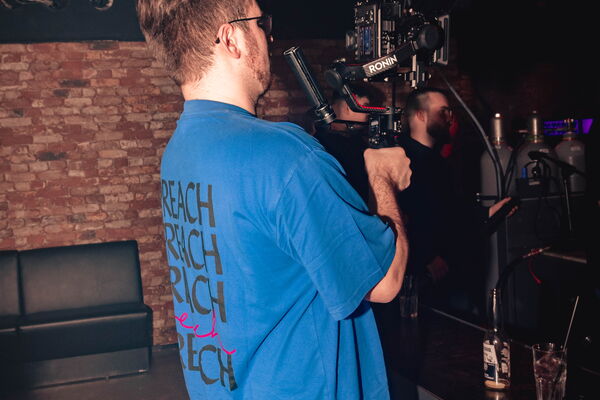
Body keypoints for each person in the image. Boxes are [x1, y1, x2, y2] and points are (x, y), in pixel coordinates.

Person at [136, 1, 412, 399]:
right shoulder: (283, 156)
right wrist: (382, 178)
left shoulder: (179, 150)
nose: (269, 36)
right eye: (260, 23)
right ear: (231, 39)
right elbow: (384, 282)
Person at [397, 87, 513, 310]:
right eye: (443, 112)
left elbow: (450, 211)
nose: (450, 118)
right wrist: (426, 257)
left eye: (450, 112)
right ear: (421, 115)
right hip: (419, 280)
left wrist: (488, 212)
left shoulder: (439, 163)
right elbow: (400, 216)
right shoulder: (400, 160)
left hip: (449, 273)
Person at [315, 84, 382, 202]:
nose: (368, 114)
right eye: (365, 107)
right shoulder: (325, 144)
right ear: (348, 107)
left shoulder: (353, 138)